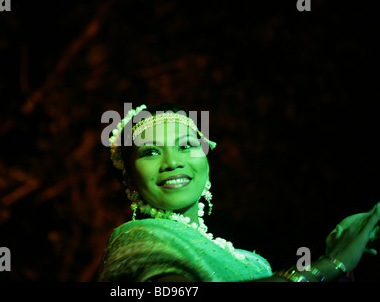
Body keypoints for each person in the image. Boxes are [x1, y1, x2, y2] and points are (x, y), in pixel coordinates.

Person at [97, 102, 379, 282]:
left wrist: (343, 256)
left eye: (185, 146)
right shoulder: (138, 239)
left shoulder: (254, 263)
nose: (172, 162)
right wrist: (330, 265)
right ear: (130, 180)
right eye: (151, 151)